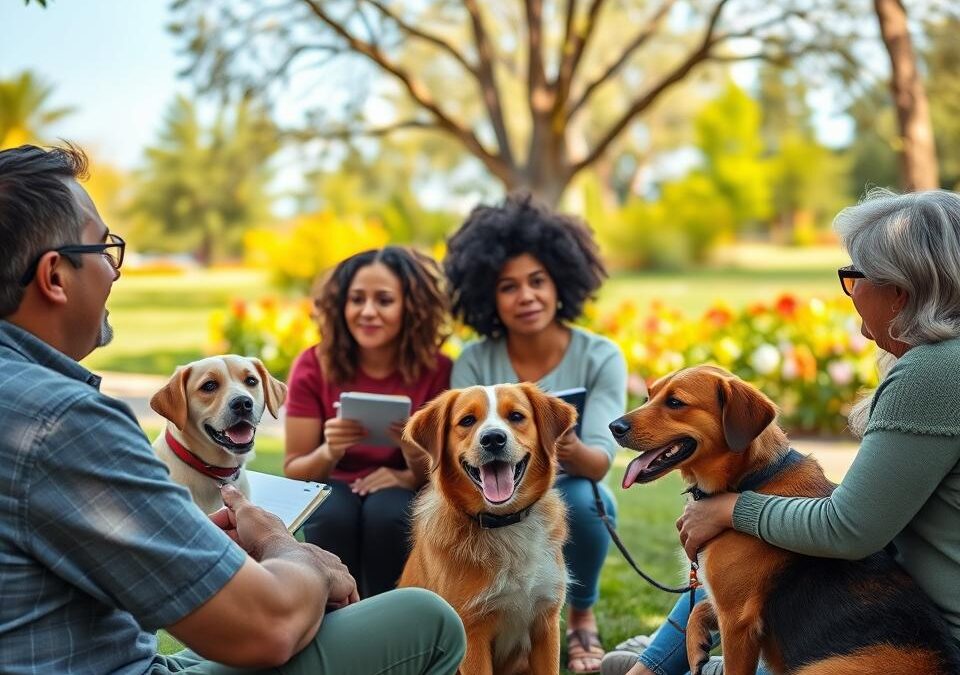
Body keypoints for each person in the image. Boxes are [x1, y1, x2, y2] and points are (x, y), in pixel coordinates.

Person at [0, 144, 466, 674]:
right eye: (104, 249)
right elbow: (268, 628)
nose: (115, 272)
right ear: (55, 276)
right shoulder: (63, 423)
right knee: (427, 618)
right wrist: (288, 550)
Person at [604, 188, 960, 675]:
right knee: (736, 573)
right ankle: (655, 664)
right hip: (884, 620)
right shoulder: (942, 364)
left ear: (902, 287)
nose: (851, 293)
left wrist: (731, 508)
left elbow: (849, 529)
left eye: (854, 276)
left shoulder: (934, 372)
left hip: (917, 647)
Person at [443, 193, 630, 674]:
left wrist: (556, 437)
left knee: (592, 502)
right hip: (491, 479)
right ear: (488, 296)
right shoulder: (474, 360)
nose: (526, 296)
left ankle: (580, 616)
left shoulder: (599, 355)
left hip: (564, 476)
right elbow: (464, 444)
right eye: (508, 287)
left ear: (560, 283)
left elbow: (599, 463)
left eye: (537, 281)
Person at [283, 246, 451, 598]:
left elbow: (442, 472)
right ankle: (332, 618)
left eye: (384, 300)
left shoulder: (438, 371)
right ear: (341, 305)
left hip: (400, 488)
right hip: (332, 483)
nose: (368, 312)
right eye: (357, 299)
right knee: (332, 513)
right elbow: (295, 470)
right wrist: (330, 450)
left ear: (410, 307)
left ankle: (388, 619)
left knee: (389, 512)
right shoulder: (314, 364)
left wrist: (408, 460)